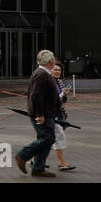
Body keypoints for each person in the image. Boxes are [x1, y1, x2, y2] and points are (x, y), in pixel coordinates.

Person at [14, 50, 62, 178]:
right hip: (43, 114)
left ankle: (38, 168)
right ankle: (23, 155)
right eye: (53, 59)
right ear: (50, 61)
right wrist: (40, 114)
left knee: (45, 139)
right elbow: (36, 95)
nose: (54, 61)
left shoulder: (42, 73)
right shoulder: (42, 75)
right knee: (48, 138)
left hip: (47, 113)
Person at [50, 63, 75, 171]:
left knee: (47, 138)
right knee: (59, 136)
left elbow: (62, 101)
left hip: (59, 113)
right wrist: (61, 95)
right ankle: (62, 163)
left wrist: (64, 94)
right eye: (55, 69)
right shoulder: (48, 82)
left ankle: (33, 158)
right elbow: (53, 100)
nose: (57, 72)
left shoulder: (59, 82)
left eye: (59, 70)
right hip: (51, 114)